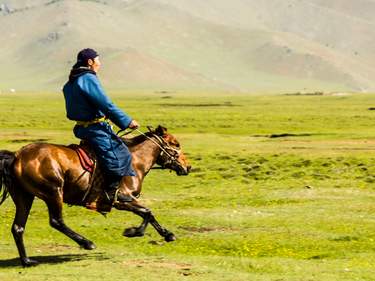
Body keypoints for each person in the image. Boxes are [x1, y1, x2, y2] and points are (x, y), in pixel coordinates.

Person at [63, 48, 139, 204]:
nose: (100, 64)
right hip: (95, 129)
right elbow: (106, 104)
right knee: (121, 154)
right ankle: (112, 193)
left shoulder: (70, 82)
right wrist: (127, 121)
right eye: (98, 60)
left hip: (82, 128)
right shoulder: (87, 79)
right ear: (90, 62)